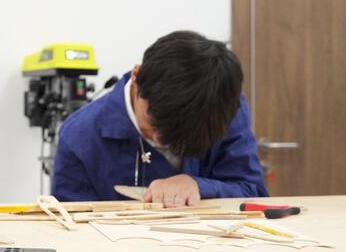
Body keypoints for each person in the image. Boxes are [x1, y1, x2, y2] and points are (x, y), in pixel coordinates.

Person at [53, 30, 268, 207]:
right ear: (137, 76)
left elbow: (254, 194)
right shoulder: (80, 137)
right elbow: (72, 226)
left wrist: (199, 186)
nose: (160, 140)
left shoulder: (220, 107)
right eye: (155, 122)